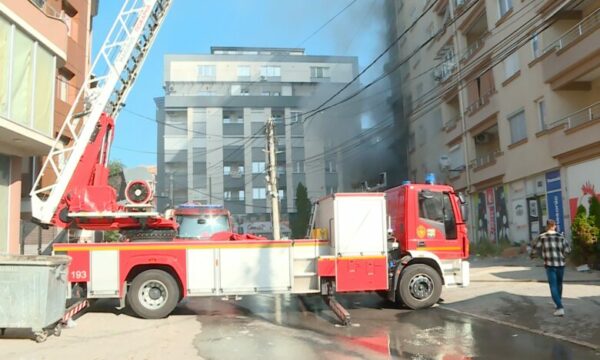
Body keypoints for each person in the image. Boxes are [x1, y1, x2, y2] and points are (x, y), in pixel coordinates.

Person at [530, 219, 571, 316]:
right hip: (561, 264)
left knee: (553, 286)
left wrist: (532, 255)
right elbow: (568, 250)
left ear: (547, 226)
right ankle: (558, 303)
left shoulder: (542, 237)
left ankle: (560, 307)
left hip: (550, 264)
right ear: (555, 226)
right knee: (559, 285)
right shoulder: (561, 237)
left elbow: (535, 249)